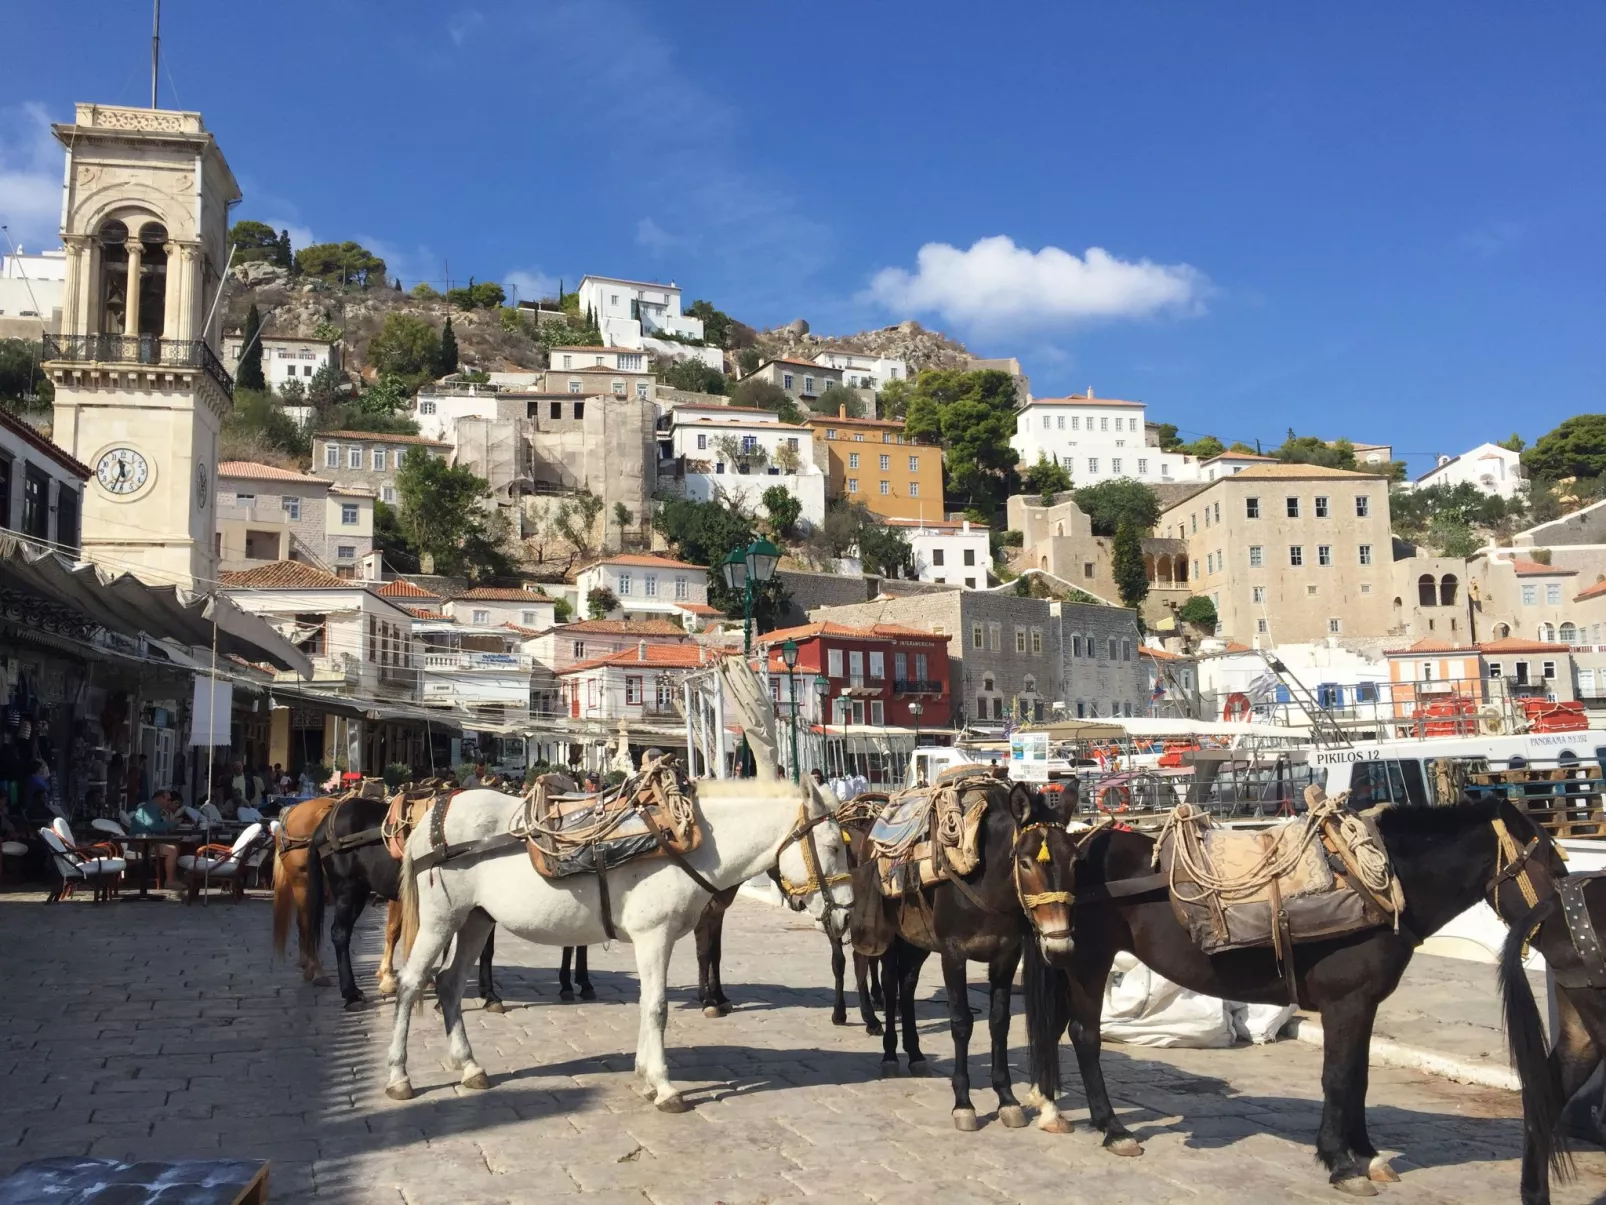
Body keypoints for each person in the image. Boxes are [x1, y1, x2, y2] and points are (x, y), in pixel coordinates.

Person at [131, 789, 183, 888]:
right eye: (168, 800)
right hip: (141, 844)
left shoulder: (152, 809)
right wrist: (173, 824)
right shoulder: (149, 809)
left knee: (176, 845)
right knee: (172, 850)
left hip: (148, 842)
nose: (169, 803)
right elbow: (154, 826)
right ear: (160, 798)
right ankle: (169, 882)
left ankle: (172, 877)